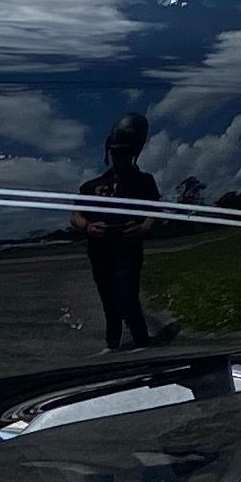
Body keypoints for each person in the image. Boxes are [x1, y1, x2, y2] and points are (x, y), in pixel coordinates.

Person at [72, 114, 163, 348]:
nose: (120, 157)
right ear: (109, 152)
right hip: (100, 252)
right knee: (108, 300)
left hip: (128, 249)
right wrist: (89, 227)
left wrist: (143, 227)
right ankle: (112, 344)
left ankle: (141, 341)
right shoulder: (92, 186)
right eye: (116, 152)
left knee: (128, 297)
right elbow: (76, 216)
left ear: (133, 154)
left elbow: (156, 210)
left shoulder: (143, 181)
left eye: (125, 152)